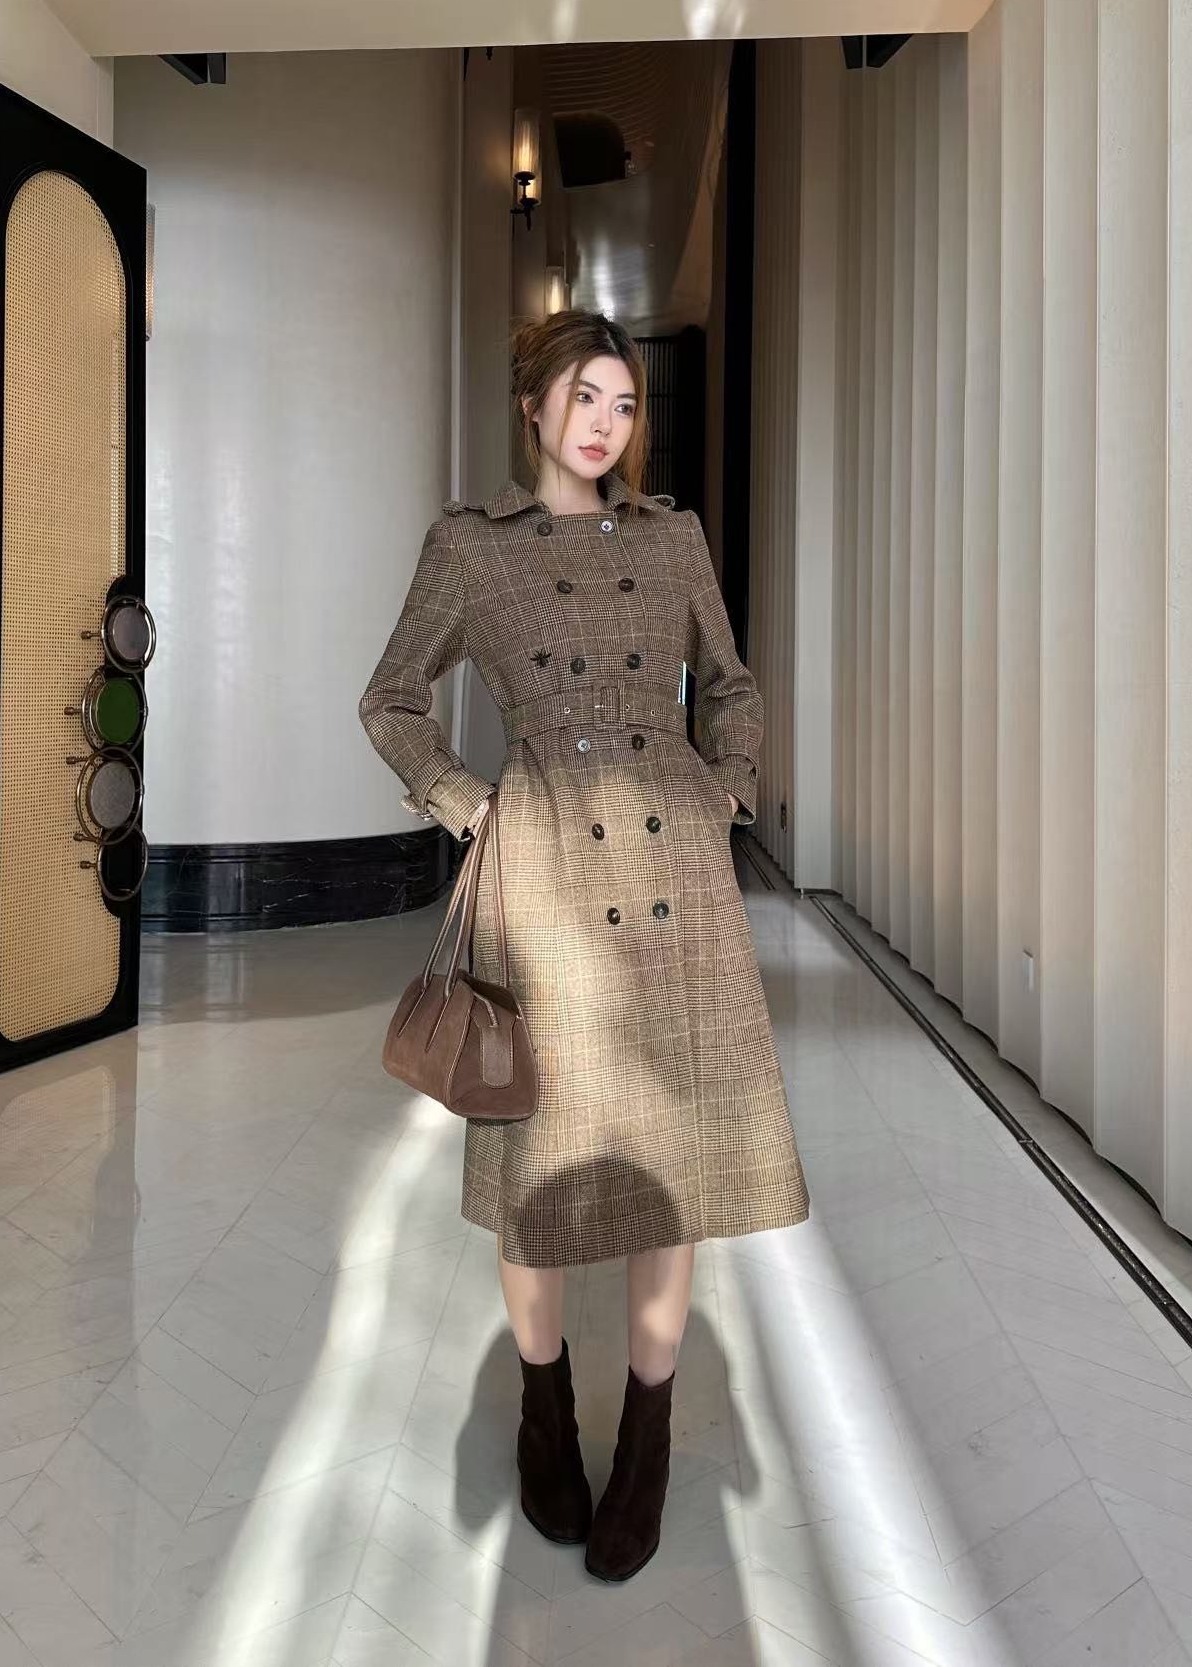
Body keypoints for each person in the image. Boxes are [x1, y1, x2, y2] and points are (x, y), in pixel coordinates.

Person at [359, 309, 809, 1582]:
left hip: (674, 867)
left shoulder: (673, 538)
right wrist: (466, 802)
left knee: (673, 1158)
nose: (606, 422)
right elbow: (390, 697)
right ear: (533, 404)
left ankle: (648, 1437)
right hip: (544, 870)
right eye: (583, 396)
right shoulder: (469, 546)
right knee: (537, 1149)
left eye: (623, 402)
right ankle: (544, 1410)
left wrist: (726, 786)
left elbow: (730, 684)